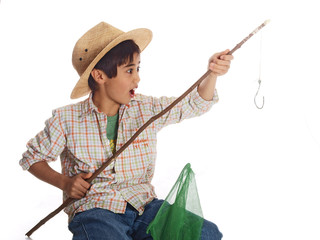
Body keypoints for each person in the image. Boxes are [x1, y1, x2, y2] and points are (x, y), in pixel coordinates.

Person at [20, 22, 233, 239]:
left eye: (138, 68)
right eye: (129, 70)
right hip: (96, 210)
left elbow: (196, 104)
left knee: (207, 234)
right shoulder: (66, 119)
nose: (137, 78)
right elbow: (31, 158)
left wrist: (212, 74)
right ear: (100, 76)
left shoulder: (146, 109)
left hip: (144, 206)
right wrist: (64, 182)